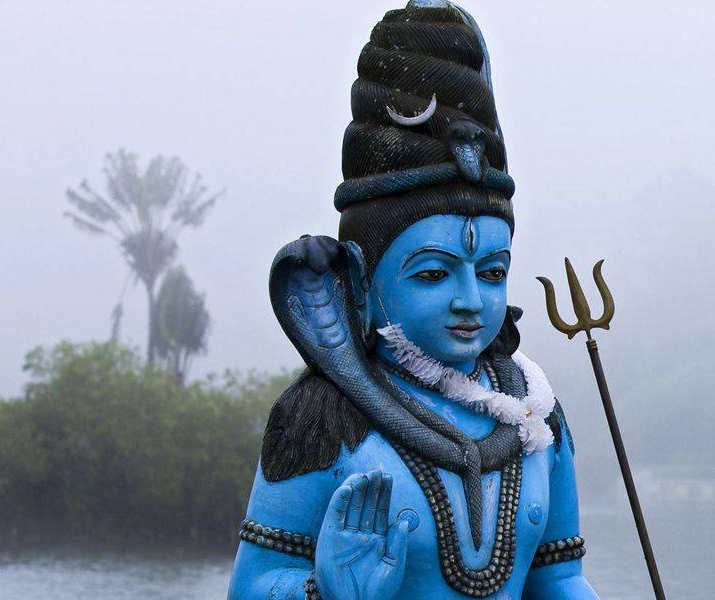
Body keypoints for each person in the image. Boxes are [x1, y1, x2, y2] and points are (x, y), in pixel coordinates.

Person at [229, 2, 597, 598]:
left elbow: (561, 579)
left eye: (493, 272)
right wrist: (326, 590)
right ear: (362, 280)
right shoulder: (325, 417)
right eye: (432, 275)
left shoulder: (533, 411)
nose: (470, 301)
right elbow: (251, 586)